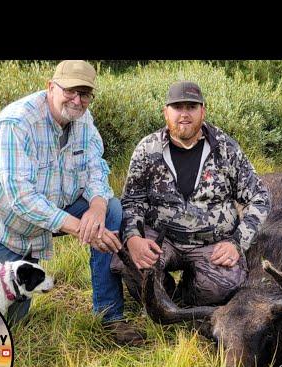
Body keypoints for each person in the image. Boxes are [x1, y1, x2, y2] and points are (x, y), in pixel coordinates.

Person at [0, 60, 143, 345]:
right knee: (2, 321)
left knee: (111, 209)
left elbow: (96, 168)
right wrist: (80, 228)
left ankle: (109, 316)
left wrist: (97, 206)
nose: (77, 100)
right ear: (51, 87)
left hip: (56, 209)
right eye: (71, 91)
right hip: (4, 224)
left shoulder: (83, 120)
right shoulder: (16, 123)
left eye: (85, 94)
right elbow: (21, 199)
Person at [112, 81, 271, 307]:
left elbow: (260, 197)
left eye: (192, 107)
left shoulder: (225, 149)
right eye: (177, 107)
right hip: (160, 238)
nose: (184, 114)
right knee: (129, 262)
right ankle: (164, 295)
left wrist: (237, 243)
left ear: (203, 111)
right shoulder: (148, 149)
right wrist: (134, 238)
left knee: (221, 287)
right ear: (165, 112)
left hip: (212, 244)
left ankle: (189, 298)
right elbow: (132, 201)